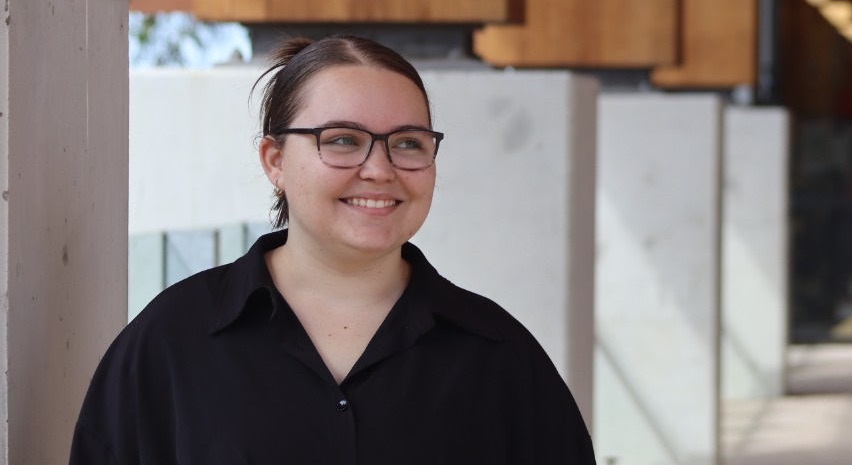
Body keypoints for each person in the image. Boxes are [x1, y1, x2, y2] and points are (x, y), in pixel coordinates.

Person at [70, 35, 595, 464]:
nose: (380, 169)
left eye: (408, 142)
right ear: (274, 160)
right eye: (342, 139)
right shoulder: (170, 341)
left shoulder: (500, 357)